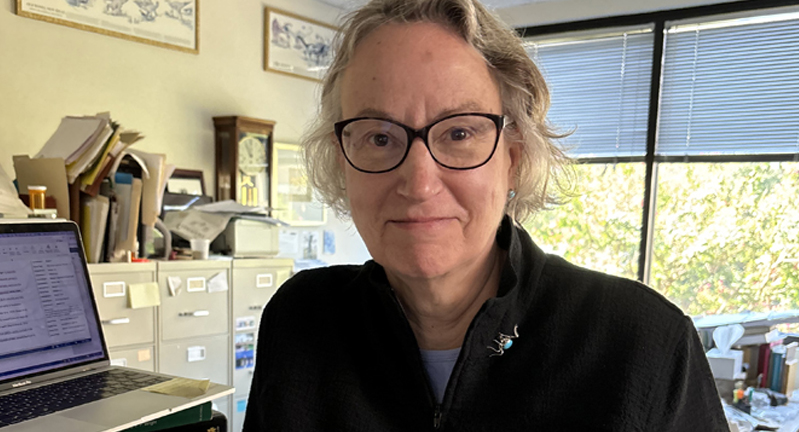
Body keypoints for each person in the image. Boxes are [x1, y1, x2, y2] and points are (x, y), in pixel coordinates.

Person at [243, 0, 728, 430]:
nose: (418, 183)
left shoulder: (642, 344)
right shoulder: (301, 322)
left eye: (458, 134)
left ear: (512, 156)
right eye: (378, 136)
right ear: (342, 158)